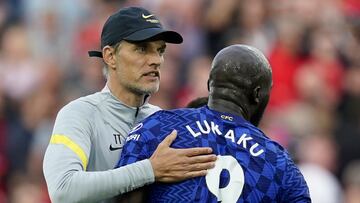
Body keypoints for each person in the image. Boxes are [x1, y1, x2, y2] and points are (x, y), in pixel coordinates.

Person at [43, 7, 217, 203]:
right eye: (142, 49)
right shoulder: (79, 114)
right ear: (110, 56)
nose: (156, 60)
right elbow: (63, 189)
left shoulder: (163, 120)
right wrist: (150, 170)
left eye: (160, 50)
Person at [117, 44, 311, 202]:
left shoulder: (159, 128)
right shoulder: (278, 161)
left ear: (210, 85)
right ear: (258, 94)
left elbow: (124, 194)